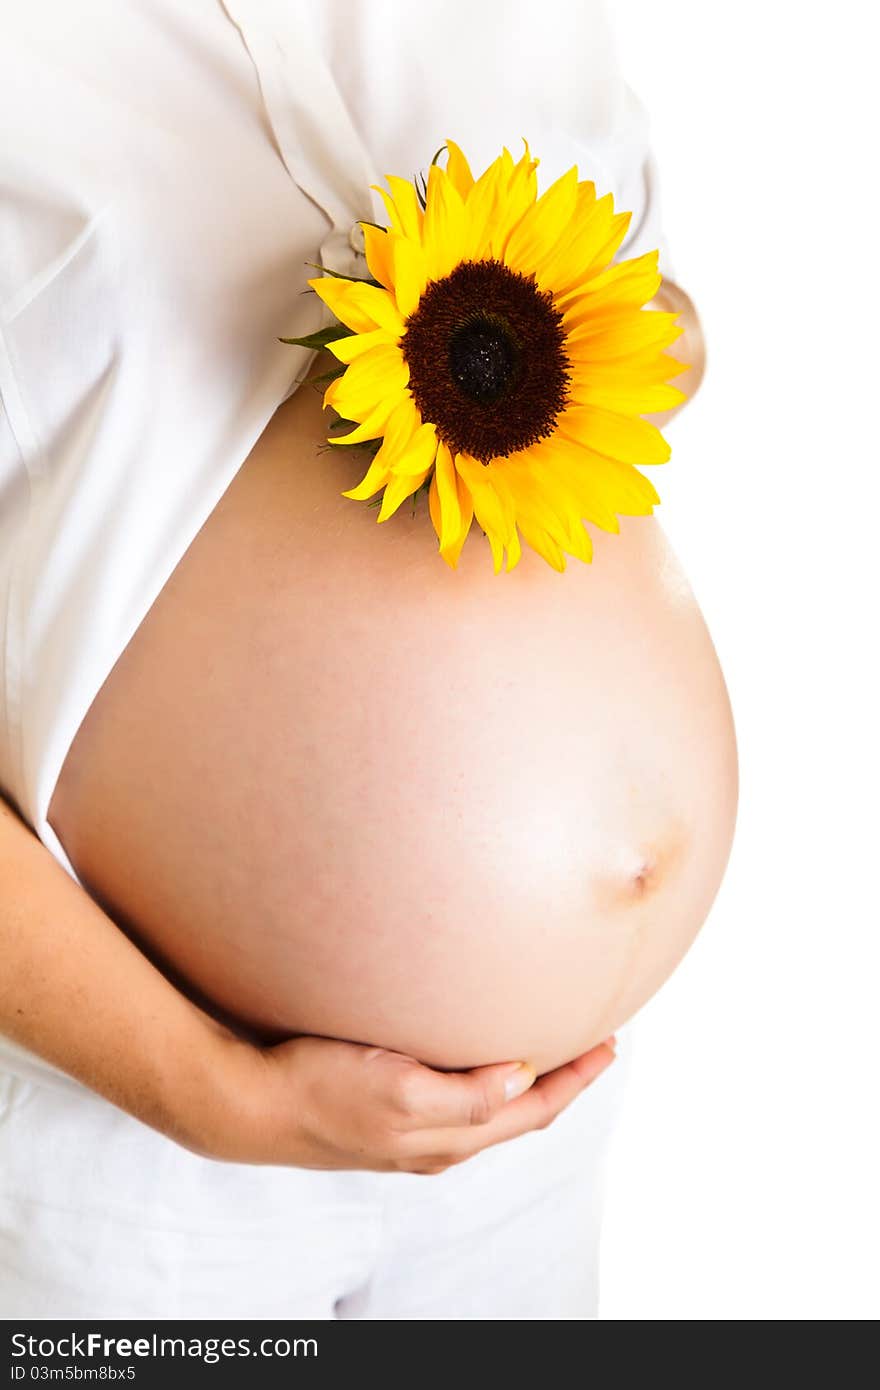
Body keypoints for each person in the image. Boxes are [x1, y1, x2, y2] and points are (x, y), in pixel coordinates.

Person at [0, 0, 711, 1318]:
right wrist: (210, 1091)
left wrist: (540, 340)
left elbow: (653, 331)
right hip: (143, 1168)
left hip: (526, 1156)